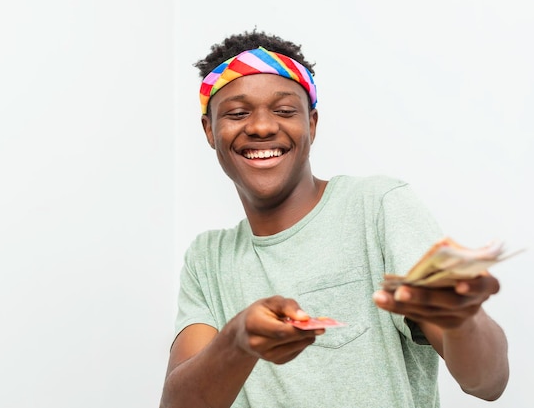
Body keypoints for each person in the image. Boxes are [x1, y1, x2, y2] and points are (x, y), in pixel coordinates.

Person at [160, 30, 509, 408]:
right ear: (210, 130)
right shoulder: (207, 259)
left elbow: (487, 383)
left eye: (284, 110)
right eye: (238, 113)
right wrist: (237, 340)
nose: (261, 126)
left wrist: (462, 320)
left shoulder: (377, 208)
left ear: (311, 124)